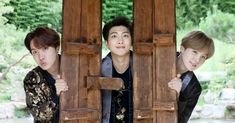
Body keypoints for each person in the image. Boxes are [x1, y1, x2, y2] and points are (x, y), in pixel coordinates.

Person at [168, 31, 215, 123]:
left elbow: (181, 121)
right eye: (195, 52)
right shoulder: (162, 58)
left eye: (203, 57)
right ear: (182, 48)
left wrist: (176, 96)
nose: (197, 60)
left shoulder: (194, 88)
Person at [23, 27, 68, 123]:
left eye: (45, 49)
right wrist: (56, 94)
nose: (41, 57)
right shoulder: (32, 79)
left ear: (57, 48)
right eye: (35, 52)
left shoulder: (73, 68)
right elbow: (40, 117)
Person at [101, 16, 133, 123]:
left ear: (131, 41)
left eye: (125, 36)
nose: (120, 41)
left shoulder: (143, 67)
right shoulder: (99, 69)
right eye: (114, 36)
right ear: (107, 44)